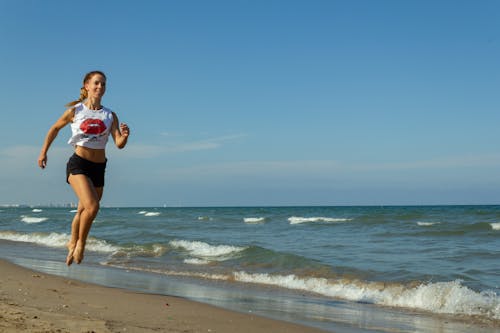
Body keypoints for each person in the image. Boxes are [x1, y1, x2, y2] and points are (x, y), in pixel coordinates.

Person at [38, 71, 130, 265]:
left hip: (99, 167)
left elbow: (118, 143)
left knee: (83, 211)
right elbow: (54, 129)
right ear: (87, 85)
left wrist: (125, 136)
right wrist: (43, 152)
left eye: (103, 84)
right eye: (96, 83)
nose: (100, 87)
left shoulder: (110, 115)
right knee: (93, 206)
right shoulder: (76, 111)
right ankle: (81, 243)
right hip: (78, 164)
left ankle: (72, 241)